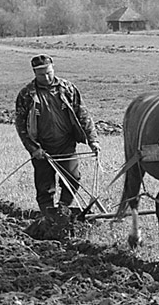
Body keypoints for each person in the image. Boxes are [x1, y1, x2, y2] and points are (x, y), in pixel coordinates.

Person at [15, 54, 101, 216]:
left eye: (49, 72)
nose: (46, 77)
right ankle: (48, 216)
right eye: (41, 74)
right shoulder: (27, 94)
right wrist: (34, 149)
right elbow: (21, 125)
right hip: (42, 148)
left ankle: (62, 210)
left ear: (53, 68)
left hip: (66, 144)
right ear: (34, 73)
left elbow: (83, 114)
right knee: (44, 187)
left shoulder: (67, 88)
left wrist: (93, 140)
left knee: (73, 179)